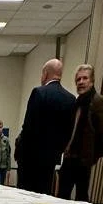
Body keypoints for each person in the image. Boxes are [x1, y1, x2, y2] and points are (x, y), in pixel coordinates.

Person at [17, 58, 75, 193]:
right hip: (50, 159)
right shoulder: (70, 99)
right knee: (44, 194)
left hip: (31, 159)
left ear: (45, 73)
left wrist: (21, 152)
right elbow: (68, 131)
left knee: (25, 195)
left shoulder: (39, 93)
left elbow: (29, 126)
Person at [57, 64, 103, 203]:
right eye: (78, 79)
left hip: (84, 159)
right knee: (62, 196)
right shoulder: (77, 103)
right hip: (70, 157)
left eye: (84, 78)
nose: (81, 82)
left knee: (81, 197)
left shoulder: (99, 102)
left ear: (92, 81)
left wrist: (92, 157)